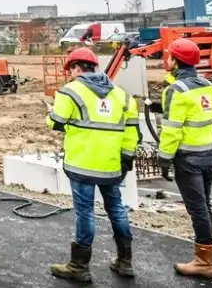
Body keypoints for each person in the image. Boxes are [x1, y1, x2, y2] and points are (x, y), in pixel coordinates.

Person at [46, 47, 140, 282]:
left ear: (76, 68)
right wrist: (126, 159)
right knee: (116, 209)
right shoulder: (121, 95)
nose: (71, 74)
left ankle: (79, 266)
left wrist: (50, 113)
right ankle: (125, 261)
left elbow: (57, 122)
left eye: (71, 70)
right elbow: (131, 132)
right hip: (111, 165)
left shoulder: (69, 92)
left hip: (81, 165)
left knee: (85, 213)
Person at [153, 37, 212, 279]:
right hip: (209, 154)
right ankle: (207, 254)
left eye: (169, 56)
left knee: (197, 208)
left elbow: (172, 129)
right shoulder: (207, 85)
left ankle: (205, 262)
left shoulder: (176, 90)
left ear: (175, 61)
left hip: (188, 158)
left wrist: (164, 158)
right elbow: (196, 114)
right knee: (205, 205)